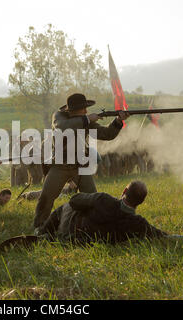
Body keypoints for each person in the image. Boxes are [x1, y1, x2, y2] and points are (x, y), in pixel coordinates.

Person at [33, 93, 130, 232]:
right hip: (60, 166)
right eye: (83, 108)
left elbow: (107, 134)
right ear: (72, 110)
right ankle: (40, 228)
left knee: (93, 199)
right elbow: (63, 127)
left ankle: (95, 227)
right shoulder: (59, 116)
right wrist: (86, 119)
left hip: (80, 166)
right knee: (45, 198)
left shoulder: (84, 121)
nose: (86, 111)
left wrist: (118, 121)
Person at [38, 180, 169, 243]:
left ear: (124, 191)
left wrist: (88, 203)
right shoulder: (138, 224)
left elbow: (74, 200)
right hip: (83, 242)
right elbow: (162, 235)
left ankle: (43, 232)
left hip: (70, 232)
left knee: (65, 206)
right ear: (141, 202)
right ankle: (48, 236)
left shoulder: (104, 200)